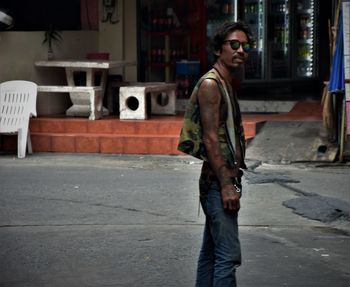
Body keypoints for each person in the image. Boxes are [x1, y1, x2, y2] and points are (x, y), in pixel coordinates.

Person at [177, 21, 254, 286]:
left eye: (245, 45)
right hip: (217, 183)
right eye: (234, 44)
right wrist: (226, 186)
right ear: (218, 49)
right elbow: (210, 138)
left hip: (220, 181)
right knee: (228, 256)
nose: (241, 50)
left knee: (211, 254)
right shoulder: (211, 84)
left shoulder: (225, 83)